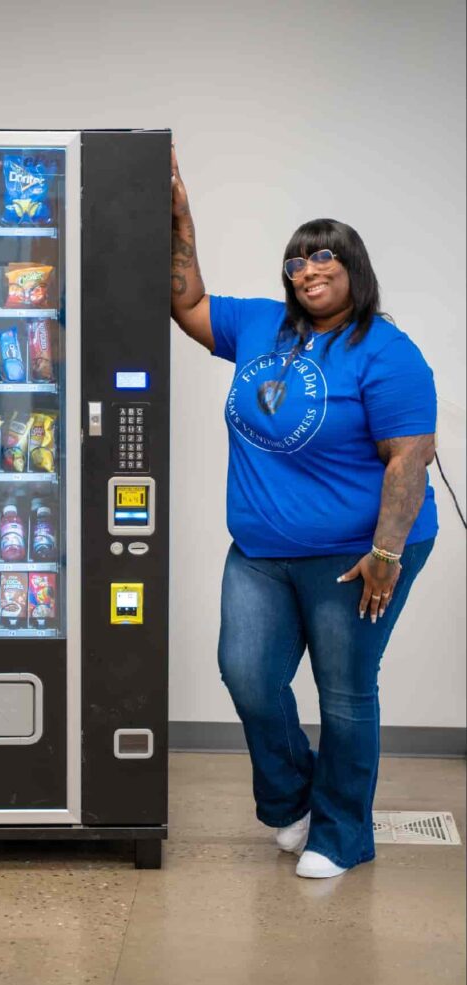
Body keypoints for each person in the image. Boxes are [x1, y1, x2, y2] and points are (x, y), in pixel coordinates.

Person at [170, 145, 438, 878]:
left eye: (324, 256)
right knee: (248, 676)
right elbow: (187, 304)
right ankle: (294, 801)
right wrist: (181, 217)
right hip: (260, 551)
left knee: (344, 693)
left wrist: (386, 554)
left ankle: (343, 833)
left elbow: (409, 460)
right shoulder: (261, 327)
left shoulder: (386, 352)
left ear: (354, 268)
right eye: (296, 260)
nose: (309, 270)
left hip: (358, 553)